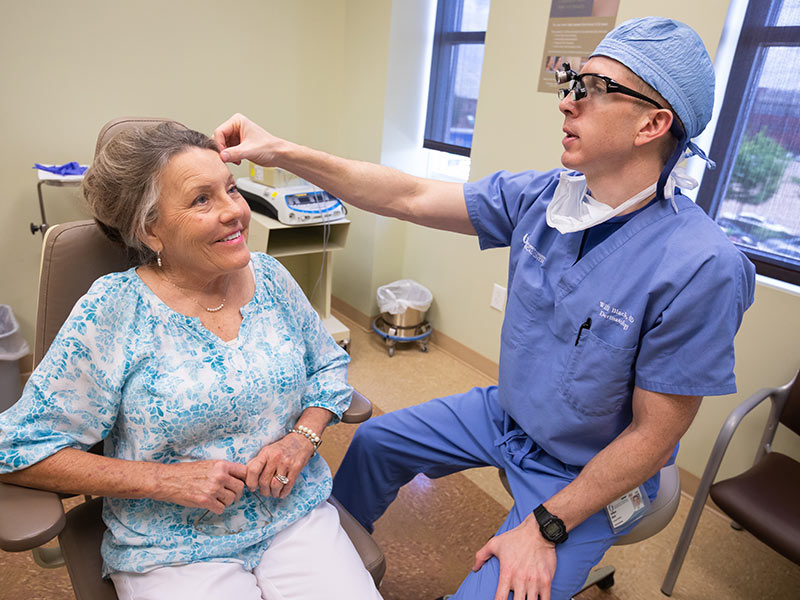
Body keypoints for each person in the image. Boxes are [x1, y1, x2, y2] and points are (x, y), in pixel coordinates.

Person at [214, 17, 756, 600]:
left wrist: (546, 527)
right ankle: (327, 561)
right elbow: (409, 195)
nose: (567, 104)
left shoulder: (701, 266)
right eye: (572, 82)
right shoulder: (547, 197)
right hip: (509, 414)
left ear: (653, 123)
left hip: (586, 470)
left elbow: (652, 438)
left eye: (593, 89)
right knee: (373, 445)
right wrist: (280, 152)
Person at [0, 122, 382, 600]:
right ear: (150, 230)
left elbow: (326, 366)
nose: (235, 212)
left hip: (291, 513)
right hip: (170, 544)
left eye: (231, 189)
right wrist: (163, 479)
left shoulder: (269, 277)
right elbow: (16, 450)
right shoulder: (114, 311)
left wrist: (301, 438)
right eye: (202, 200)